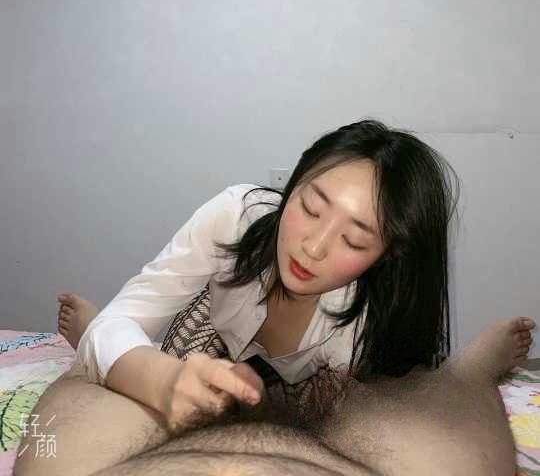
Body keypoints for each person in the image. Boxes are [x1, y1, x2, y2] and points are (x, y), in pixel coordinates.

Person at [14, 118, 535, 476]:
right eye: (309, 207)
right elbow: (134, 312)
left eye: (355, 240)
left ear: (388, 254)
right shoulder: (235, 217)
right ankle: (90, 333)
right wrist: (158, 377)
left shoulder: (371, 325)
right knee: (116, 353)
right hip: (214, 327)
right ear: (294, 185)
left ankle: (478, 363)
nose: (313, 246)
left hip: (313, 380)